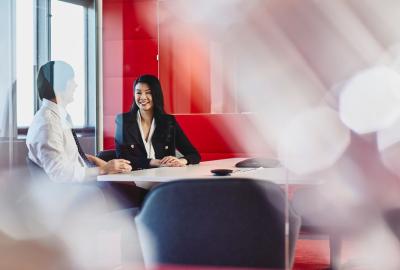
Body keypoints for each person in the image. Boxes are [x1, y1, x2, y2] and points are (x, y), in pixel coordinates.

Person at [26, 61, 132, 182]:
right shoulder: (48, 124)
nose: (75, 85)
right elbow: (60, 174)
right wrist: (103, 169)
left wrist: (93, 160)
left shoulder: (58, 118)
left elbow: (65, 156)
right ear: (58, 86)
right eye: (71, 80)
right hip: (72, 194)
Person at [115, 74, 200, 170]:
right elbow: (122, 157)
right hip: (134, 178)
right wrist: (154, 162)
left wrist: (181, 161)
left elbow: (194, 154)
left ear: (156, 94)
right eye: (138, 93)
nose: (143, 97)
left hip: (164, 179)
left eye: (148, 92)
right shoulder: (123, 121)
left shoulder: (168, 121)